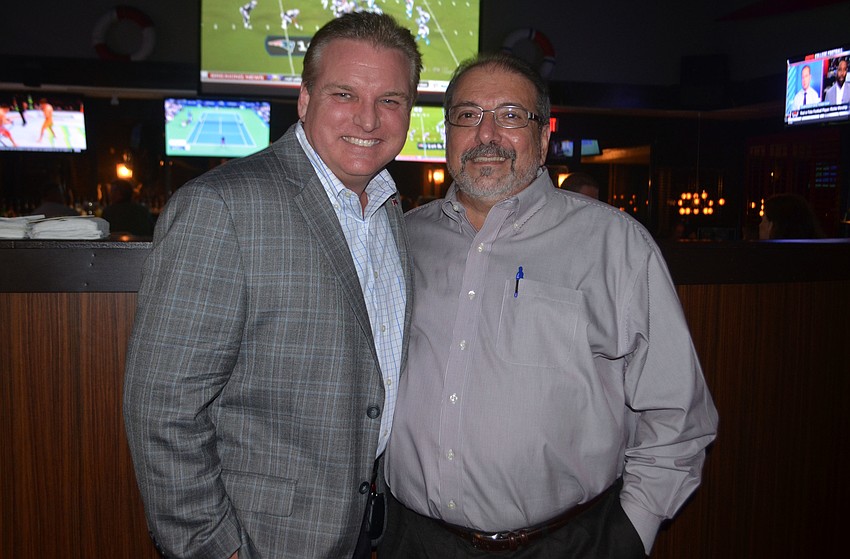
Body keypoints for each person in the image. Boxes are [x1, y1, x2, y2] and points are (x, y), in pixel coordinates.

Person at [381, 53, 718, 559]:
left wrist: (634, 530)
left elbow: (677, 411)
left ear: (543, 138)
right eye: (468, 115)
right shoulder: (400, 240)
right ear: (447, 133)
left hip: (568, 544)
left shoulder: (615, 244)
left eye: (512, 115)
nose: (487, 134)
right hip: (415, 541)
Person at [123, 12, 422, 559]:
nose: (369, 118)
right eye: (344, 94)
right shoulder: (222, 207)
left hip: (364, 531)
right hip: (260, 540)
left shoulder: (388, 211)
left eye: (390, 100)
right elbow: (162, 408)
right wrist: (214, 548)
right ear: (305, 100)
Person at [759, 193, 825, 240]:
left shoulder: (766, 258)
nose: (760, 225)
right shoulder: (821, 255)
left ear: (773, 226)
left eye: (763, 220)